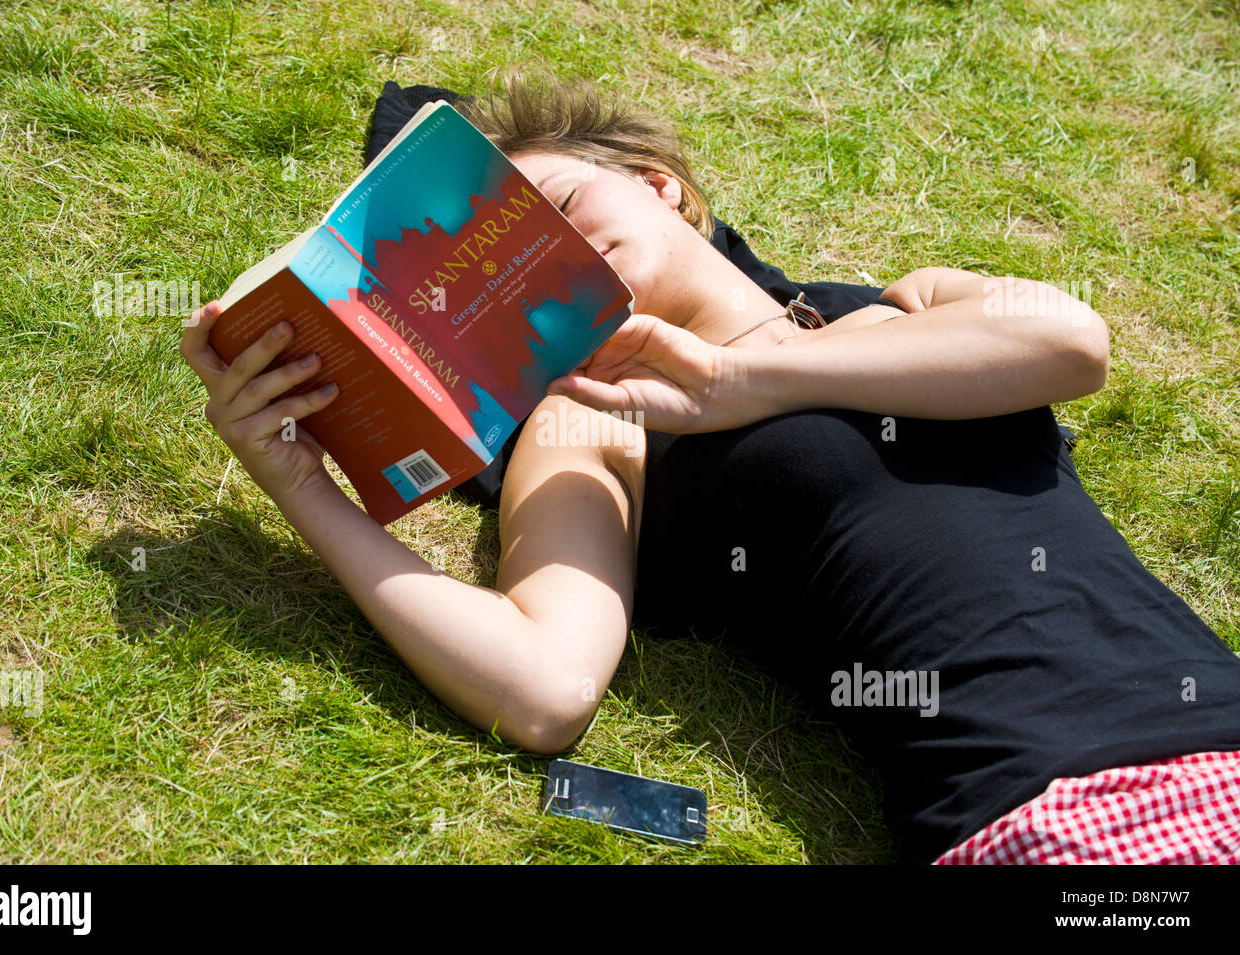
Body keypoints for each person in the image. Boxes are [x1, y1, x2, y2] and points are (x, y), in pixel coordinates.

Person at [179, 66, 1240, 864]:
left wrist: (754, 383)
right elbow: (544, 688)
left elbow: (1069, 342)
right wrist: (298, 483)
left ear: (663, 189)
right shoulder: (594, 422)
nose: (533, 257)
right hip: (1054, 804)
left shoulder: (894, 303)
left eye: (552, 213)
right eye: (489, 261)